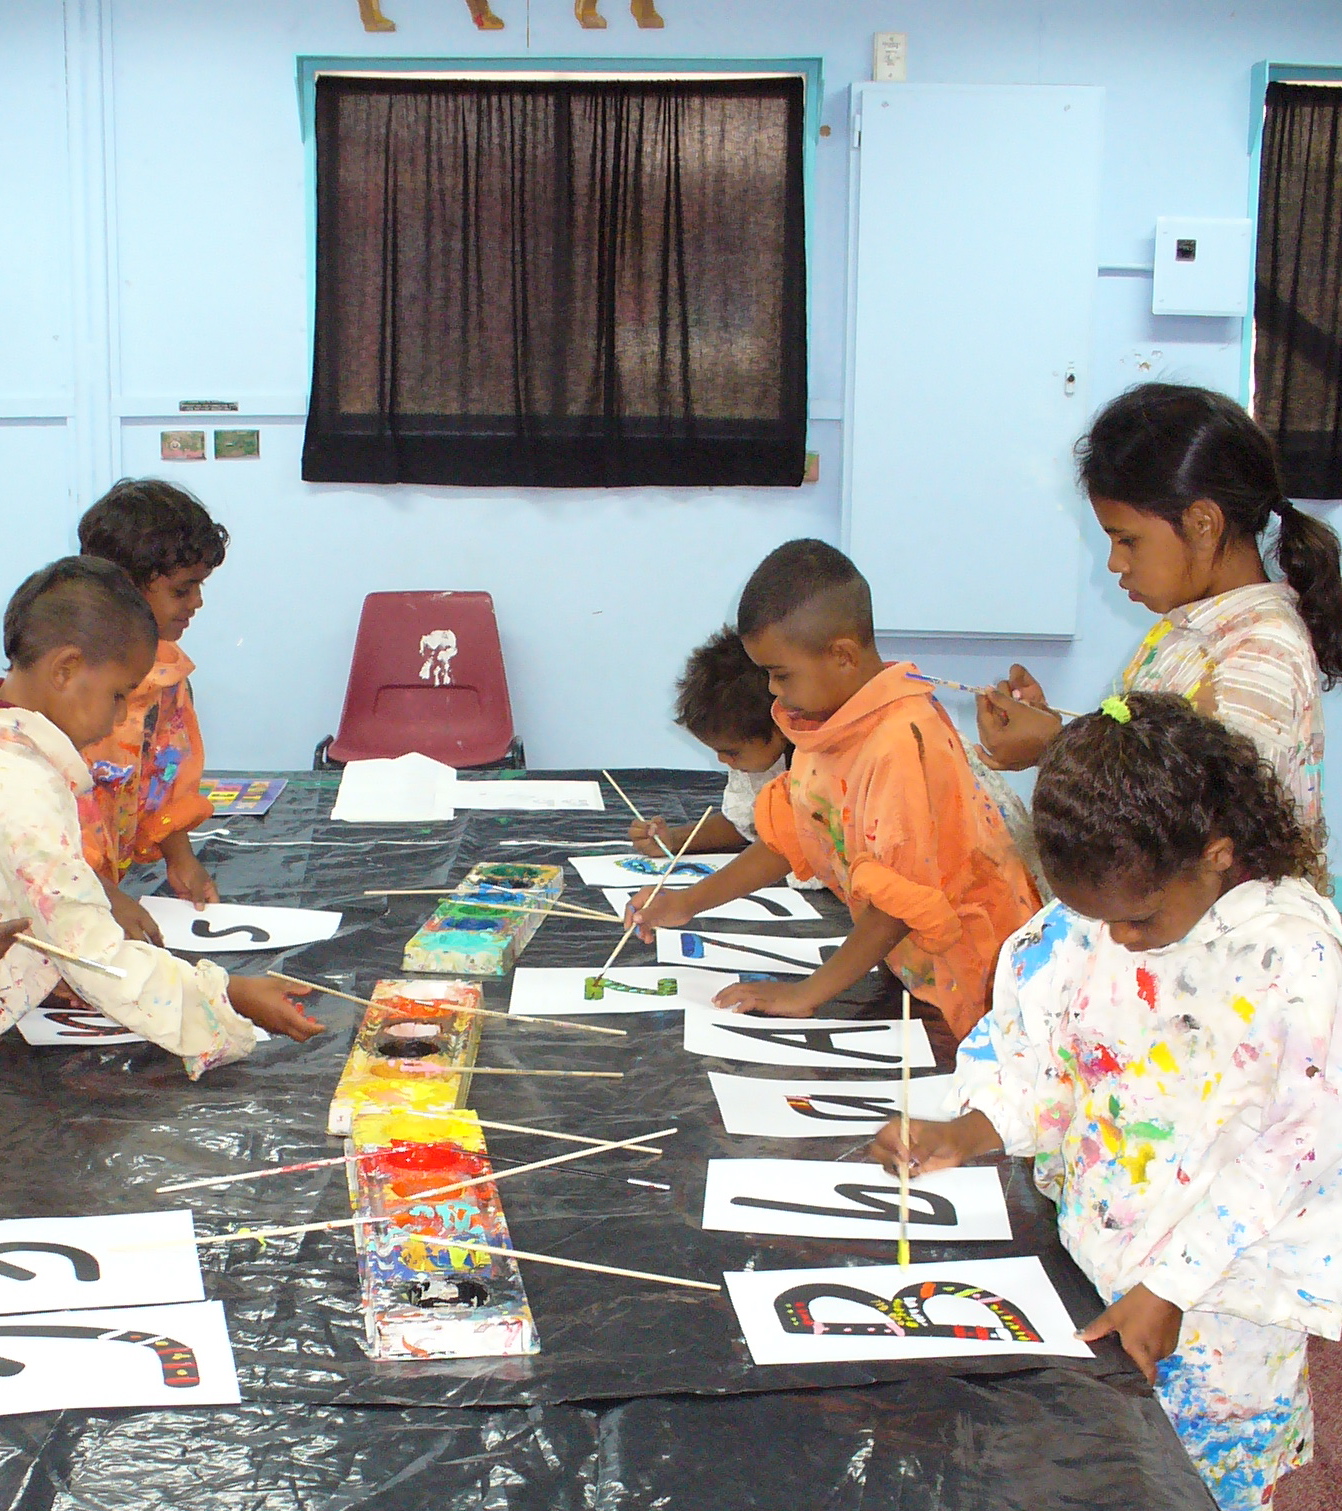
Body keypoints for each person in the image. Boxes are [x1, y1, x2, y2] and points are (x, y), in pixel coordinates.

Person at [872, 692, 1342, 1511]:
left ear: (1217, 854)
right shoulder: (1081, 929)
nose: (1118, 939)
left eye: (1139, 917)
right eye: (1099, 917)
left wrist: (1172, 1284)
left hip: (1221, 1304)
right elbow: (1036, 1057)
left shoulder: (1293, 959)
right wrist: (971, 1127)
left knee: (1198, 1484)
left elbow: (1296, 1152)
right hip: (1097, 1262)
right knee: (1100, 1472)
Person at [629, 540, 1041, 1038]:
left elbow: (898, 904)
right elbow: (794, 839)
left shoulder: (902, 744)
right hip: (921, 970)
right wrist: (687, 901)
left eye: (780, 675)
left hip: (983, 980)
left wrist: (808, 993)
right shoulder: (829, 722)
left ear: (842, 656)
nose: (774, 692)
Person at [976, 384, 1342, 857]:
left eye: (1127, 540)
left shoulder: (1258, 657)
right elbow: (1162, 758)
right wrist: (1073, 734)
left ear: (1202, 524)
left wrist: (1058, 750)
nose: (1114, 563)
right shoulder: (1188, 630)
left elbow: (1201, 828)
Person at [0, 557, 323, 1072]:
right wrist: (229, 995)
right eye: (117, 695)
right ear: (64, 669)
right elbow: (93, 957)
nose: (121, 715)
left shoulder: (24, 763)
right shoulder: (22, 784)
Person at [76, 478, 230, 946]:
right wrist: (100, 895)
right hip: (59, 887)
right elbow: (43, 832)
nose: (197, 602)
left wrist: (179, 856)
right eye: (184, 589)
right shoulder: (73, 688)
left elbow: (166, 772)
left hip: (103, 887)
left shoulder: (167, 679)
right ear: (124, 590)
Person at [629, 627, 804, 859]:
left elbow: (791, 844)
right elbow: (744, 825)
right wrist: (673, 840)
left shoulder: (820, 765)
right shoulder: (759, 750)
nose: (722, 760)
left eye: (731, 752)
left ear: (780, 727)